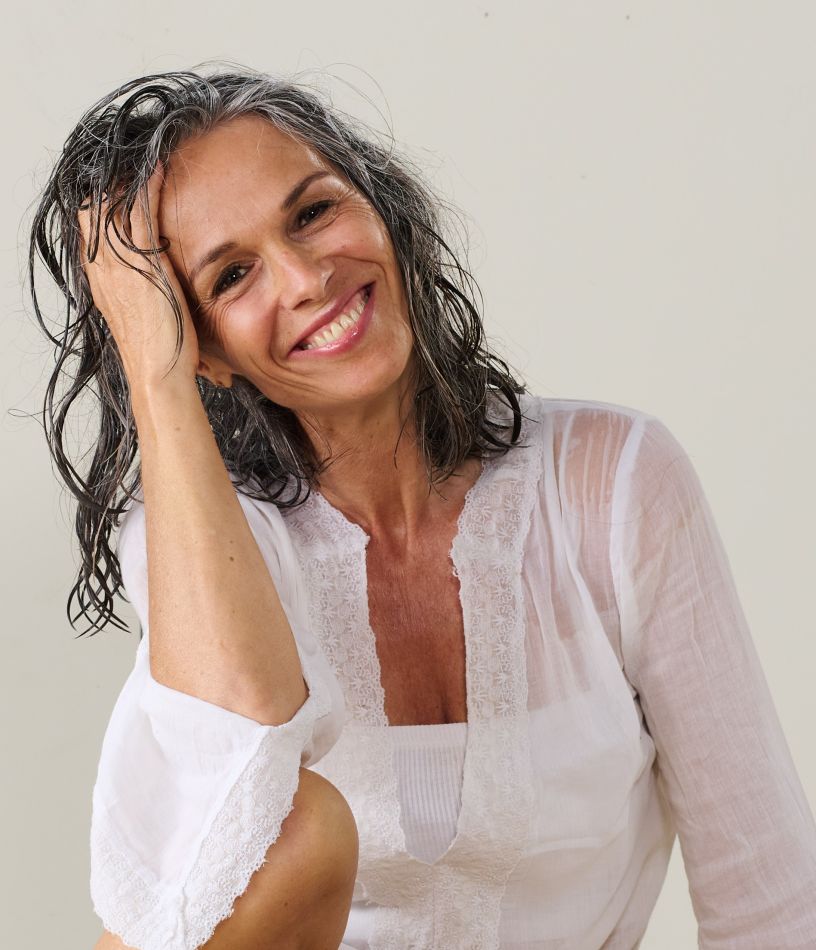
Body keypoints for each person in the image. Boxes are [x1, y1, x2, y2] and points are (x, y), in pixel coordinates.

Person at [29, 66, 816, 950]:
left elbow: (770, 898)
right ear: (201, 347)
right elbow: (236, 790)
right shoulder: (200, 536)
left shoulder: (614, 484)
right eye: (233, 275)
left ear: (383, 207)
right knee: (291, 830)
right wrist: (155, 374)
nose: (305, 278)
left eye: (312, 213)